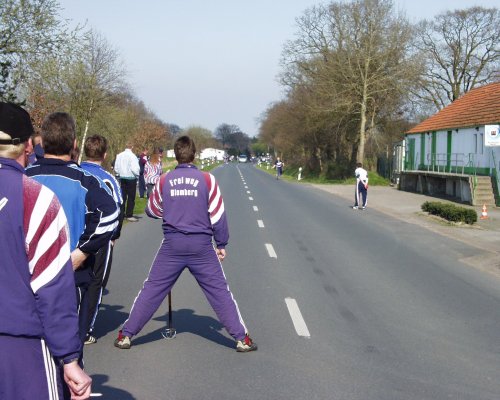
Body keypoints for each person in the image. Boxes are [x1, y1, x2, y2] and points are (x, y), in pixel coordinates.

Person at [114, 135, 257, 353]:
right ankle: (241, 339)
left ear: (176, 154)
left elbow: (151, 209)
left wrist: (170, 210)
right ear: (194, 154)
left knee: (152, 289)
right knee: (220, 292)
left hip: (172, 245)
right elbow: (218, 215)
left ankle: (126, 335)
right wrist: (221, 243)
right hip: (202, 246)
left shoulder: (164, 179)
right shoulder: (207, 179)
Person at [0, 102, 92, 400]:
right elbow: (53, 287)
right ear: (29, 145)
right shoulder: (35, 198)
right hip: (22, 347)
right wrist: (70, 358)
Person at [26, 112, 119, 345]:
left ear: (41, 142)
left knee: (33, 350)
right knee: (68, 350)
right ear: (75, 144)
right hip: (70, 277)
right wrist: (83, 251)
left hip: (27, 278)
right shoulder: (85, 181)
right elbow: (111, 215)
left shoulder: (24, 178)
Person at [80, 134, 124, 345]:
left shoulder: (75, 171)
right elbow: (118, 208)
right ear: (105, 155)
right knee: (96, 281)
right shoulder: (109, 178)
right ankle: (86, 328)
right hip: (100, 236)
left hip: (77, 233)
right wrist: (114, 235)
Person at [114, 142, 140, 222]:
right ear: (132, 147)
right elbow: (135, 169)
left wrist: (119, 173)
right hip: (131, 178)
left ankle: (121, 214)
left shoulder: (119, 155)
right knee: (131, 197)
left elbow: (116, 167)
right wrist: (137, 175)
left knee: (123, 196)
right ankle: (129, 215)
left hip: (122, 177)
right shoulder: (133, 156)